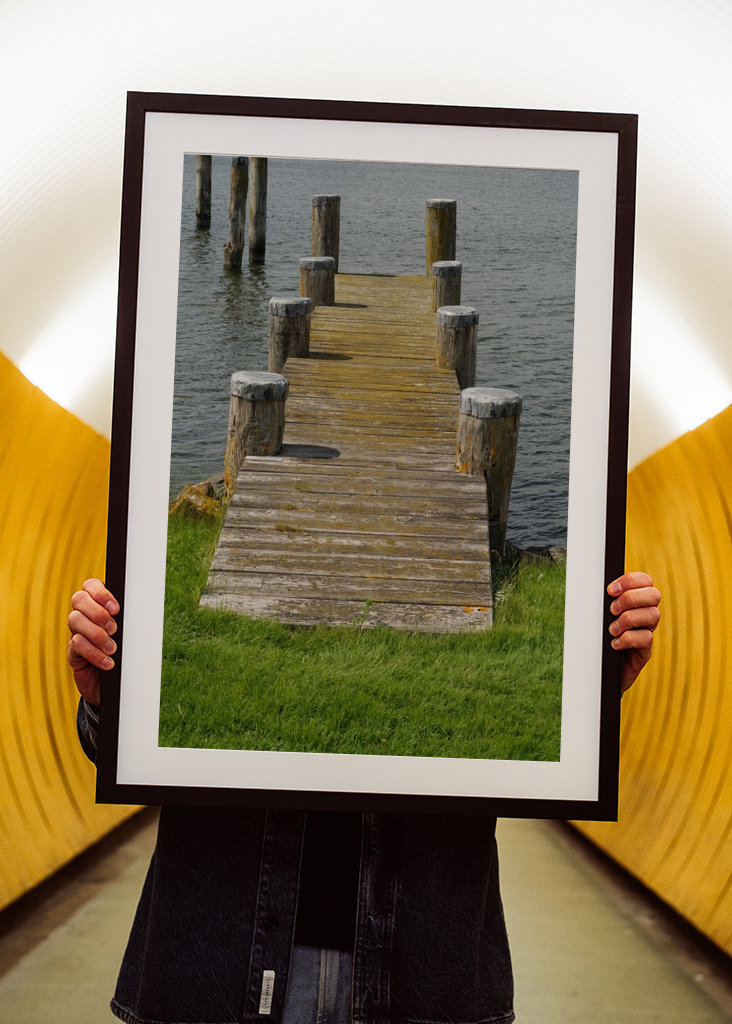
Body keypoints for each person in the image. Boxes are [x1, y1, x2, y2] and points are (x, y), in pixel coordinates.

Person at [68, 572, 661, 1024]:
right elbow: (120, 750)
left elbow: (533, 746)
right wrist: (109, 702)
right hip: (218, 960)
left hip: (423, 968)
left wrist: (587, 695)